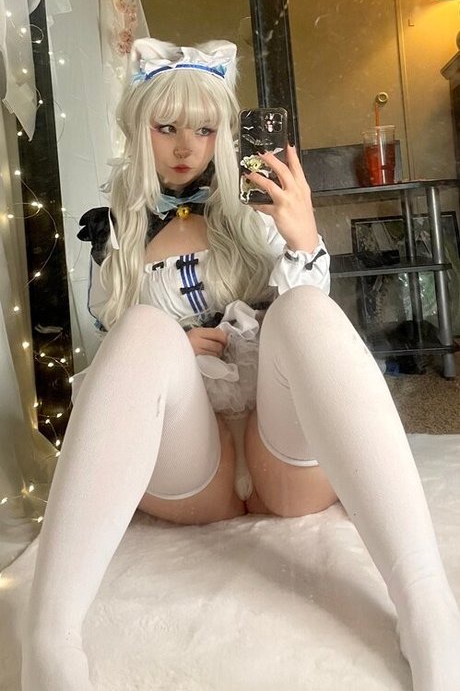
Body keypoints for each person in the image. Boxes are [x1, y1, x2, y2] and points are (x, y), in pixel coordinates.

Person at [22, 38, 460, 691]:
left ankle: (428, 606)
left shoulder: (253, 211)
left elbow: (310, 333)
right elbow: (116, 346)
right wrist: (170, 341)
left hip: (277, 445)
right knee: (142, 329)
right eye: (166, 127)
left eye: (204, 129)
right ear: (138, 129)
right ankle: (48, 638)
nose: (185, 147)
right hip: (193, 463)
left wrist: (303, 239)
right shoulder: (114, 233)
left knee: (303, 309)